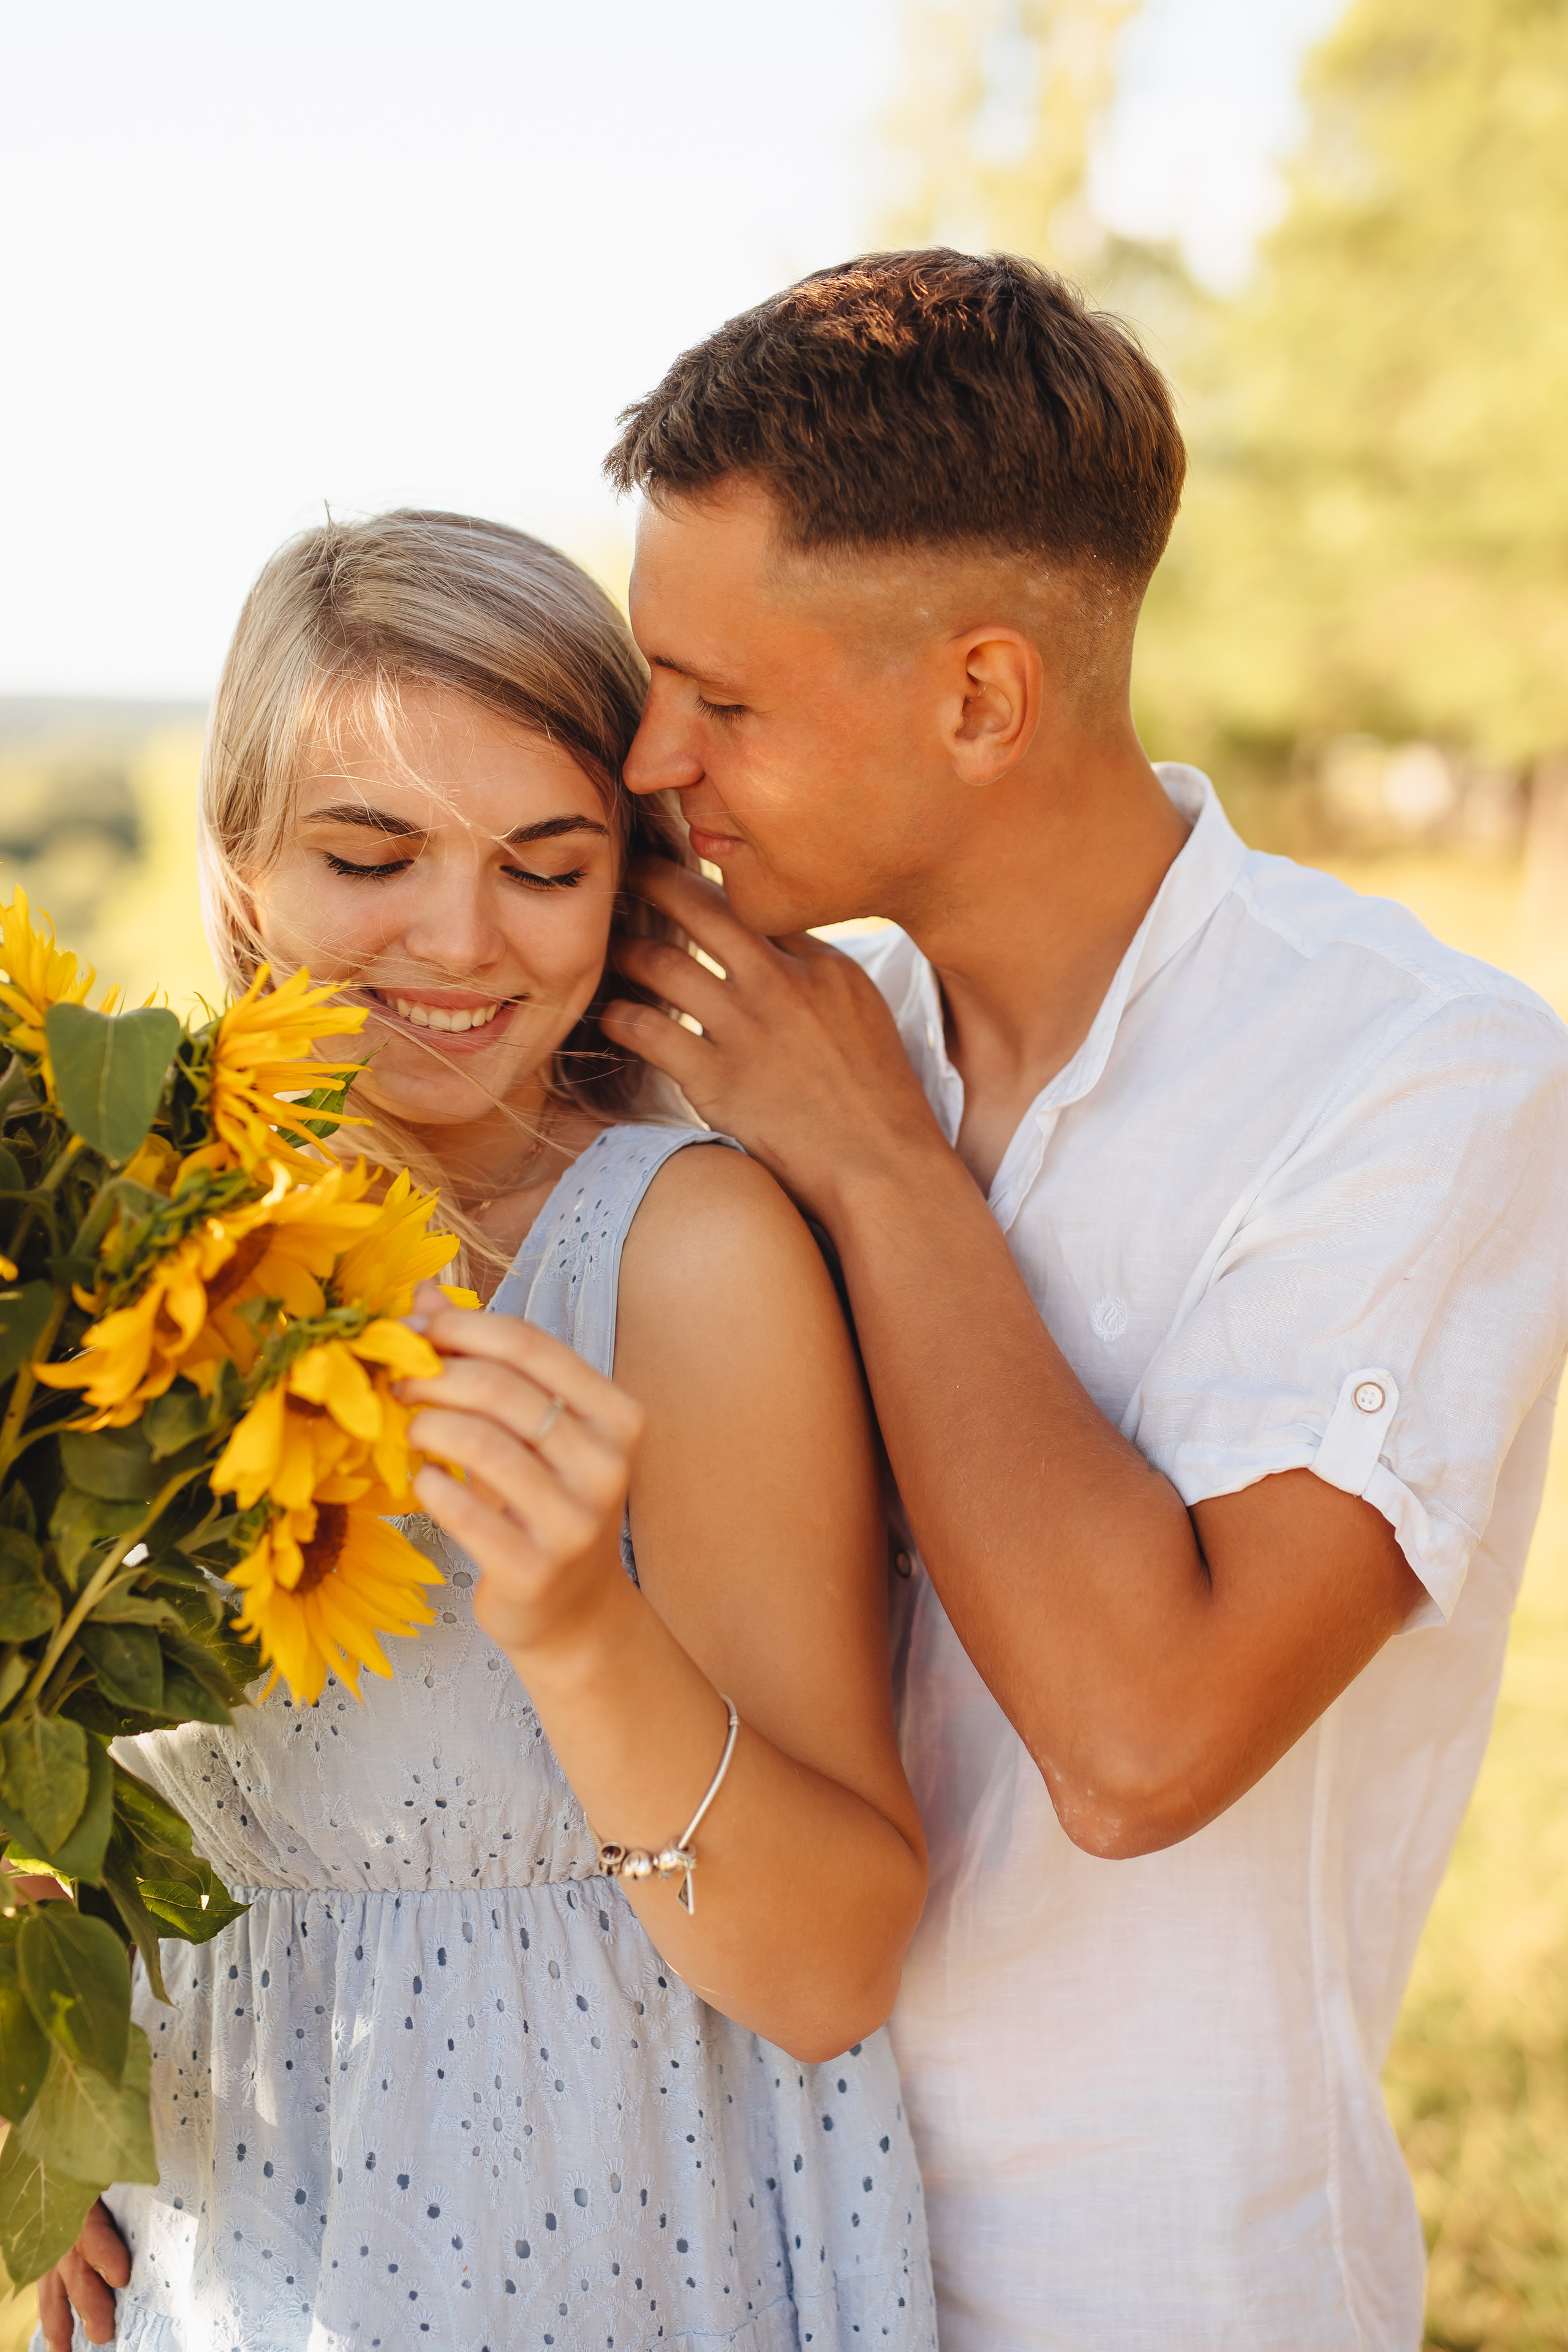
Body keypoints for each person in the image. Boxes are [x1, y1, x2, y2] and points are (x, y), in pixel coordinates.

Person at [592, 249, 1568, 2350]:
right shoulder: (748, 1016)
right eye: (647, 675)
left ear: (981, 697)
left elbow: (1142, 1742)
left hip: (1149, 2287)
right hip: (699, 2239)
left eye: (727, 702)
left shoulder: (1425, 1080)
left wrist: (876, 1163)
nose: (651, 754)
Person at [37, 510, 935, 2352]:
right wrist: (44, 2095)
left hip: (591, 2229)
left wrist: (578, 1629)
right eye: (372, 854)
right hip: (220, 2246)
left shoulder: (681, 1259)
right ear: (240, 860)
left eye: (545, 866)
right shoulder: (117, 1243)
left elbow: (830, 1966)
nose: (458, 944)